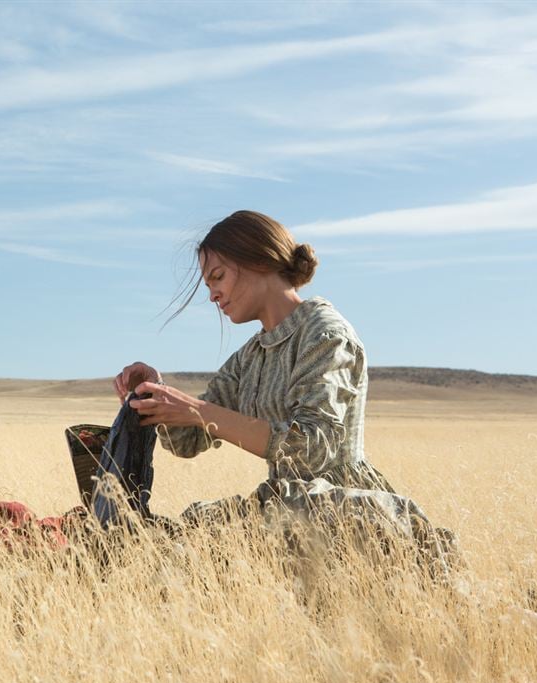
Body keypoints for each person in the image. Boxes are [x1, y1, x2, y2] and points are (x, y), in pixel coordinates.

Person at [106, 210, 455, 568]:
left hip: (341, 511)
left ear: (258, 261)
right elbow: (188, 441)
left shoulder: (325, 334)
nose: (212, 295)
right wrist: (155, 394)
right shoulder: (251, 357)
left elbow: (313, 449)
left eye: (218, 277)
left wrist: (198, 411)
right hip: (286, 507)